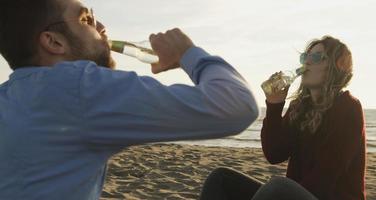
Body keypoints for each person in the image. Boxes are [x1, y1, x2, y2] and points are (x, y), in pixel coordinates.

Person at [0, 0, 258, 199]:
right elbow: (237, 105)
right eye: (86, 19)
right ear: (54, 41)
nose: (102, 28)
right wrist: (187, 53)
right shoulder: (78, 88)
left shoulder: (11, 96)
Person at [200, 36, 366, 200]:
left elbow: (324, 178)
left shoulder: (348, 108)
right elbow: (274, 154)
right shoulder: (299, 107)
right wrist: (274, 105)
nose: (306, 62)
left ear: (337, 66)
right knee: (221, 179)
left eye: (315, 57)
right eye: (305, 57)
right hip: (297, 194)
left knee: (278, 187)